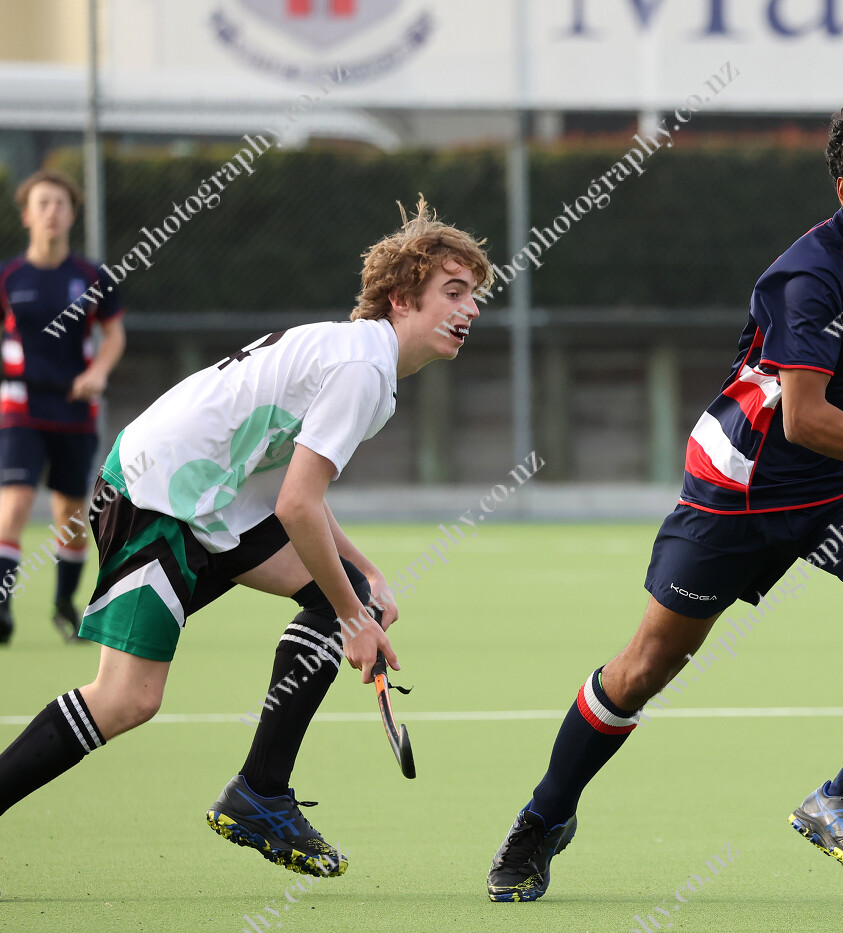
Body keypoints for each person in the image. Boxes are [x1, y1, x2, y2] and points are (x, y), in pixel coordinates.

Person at [485, 99, 843, 902]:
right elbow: (806, 419)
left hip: (839, 489)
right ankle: (545, 815)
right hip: (743, 491)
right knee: (647, 666)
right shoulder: (810, 277)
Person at [0, 198, 490, 878]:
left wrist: (366, 579)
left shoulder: (361, 359)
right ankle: (259, 794)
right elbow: (297, 505)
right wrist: (354, 616)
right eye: (454, 292)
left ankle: (260, 795)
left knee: (343, 595)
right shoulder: (363, 368)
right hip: (158, 495)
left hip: (211, 499)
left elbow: (291, 488)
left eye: (475, 295)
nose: (471, 309)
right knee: (126, 699)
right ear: (403, 299)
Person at [0, 170, 127, 643]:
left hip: (75, 411)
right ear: (27, 215)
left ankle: (64, 605)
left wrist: (98, 373)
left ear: (73, 214)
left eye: (60, 203)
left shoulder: (92, 278)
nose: (52, 212)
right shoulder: (8, 277)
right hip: (20, 408)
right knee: (14, 502)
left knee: (71, 515)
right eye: (43, 203)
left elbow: (114, 334)